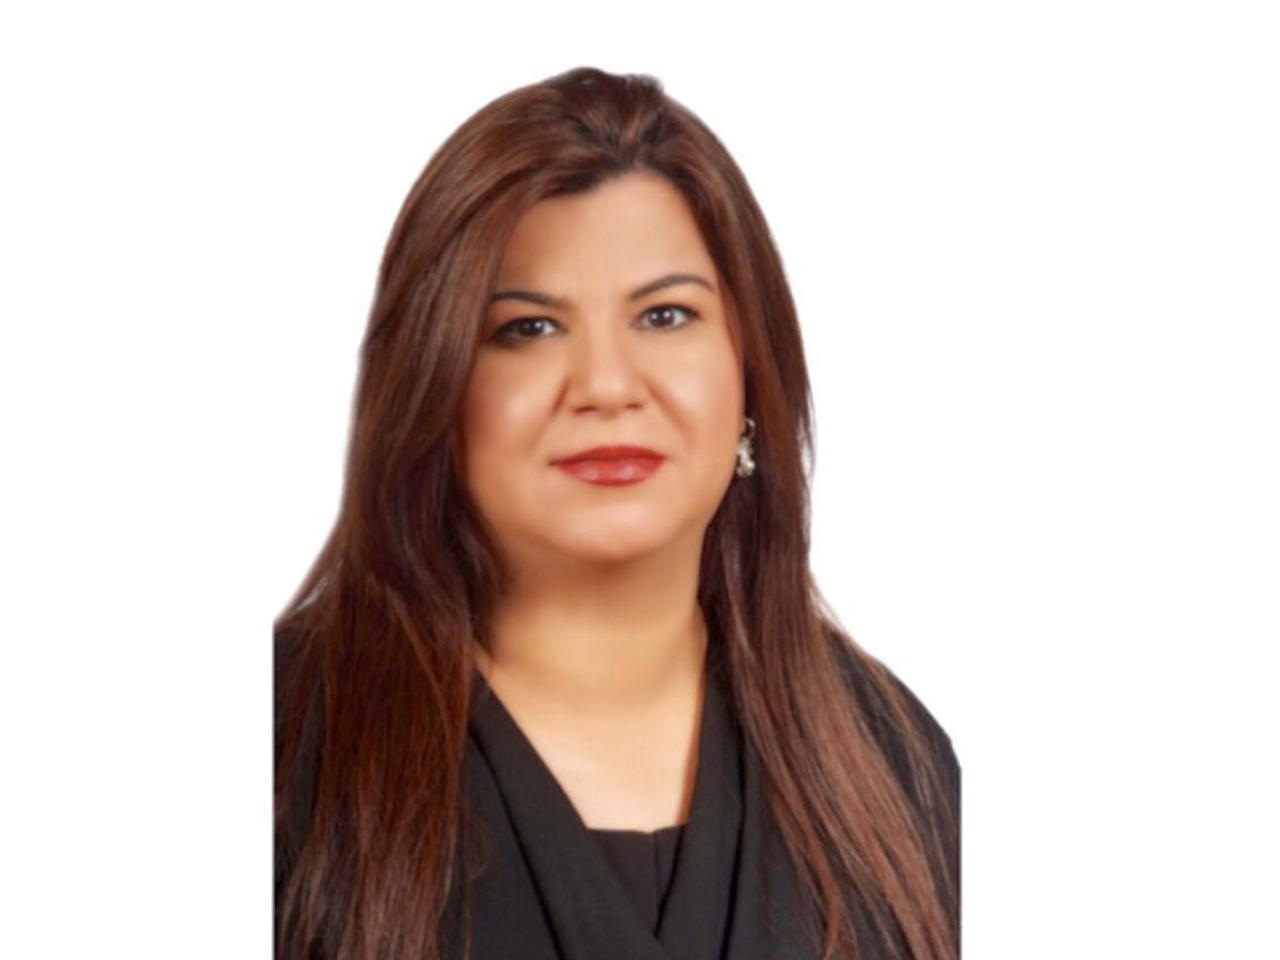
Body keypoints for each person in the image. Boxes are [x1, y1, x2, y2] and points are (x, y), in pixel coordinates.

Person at [275, 66, 960, 960]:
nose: (605, 385)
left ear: (751, 373)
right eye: (528, 328)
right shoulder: (278, 745)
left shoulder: (894, 764)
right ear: (434, 387)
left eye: (666, 316)